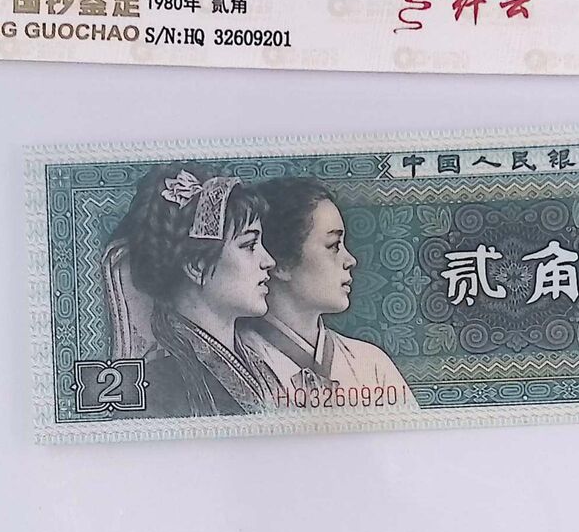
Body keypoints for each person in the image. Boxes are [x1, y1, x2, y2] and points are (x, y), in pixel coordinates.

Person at [108, 163, 282, 417]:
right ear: (197, 266)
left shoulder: (260, 365)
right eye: (249, 245)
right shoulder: (154, 387)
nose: (269, 261)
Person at [241, 177, 415, 404]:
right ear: (281, 263)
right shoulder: (239, 365)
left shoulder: (372, 365)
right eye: (333, 245)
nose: (350, 260)